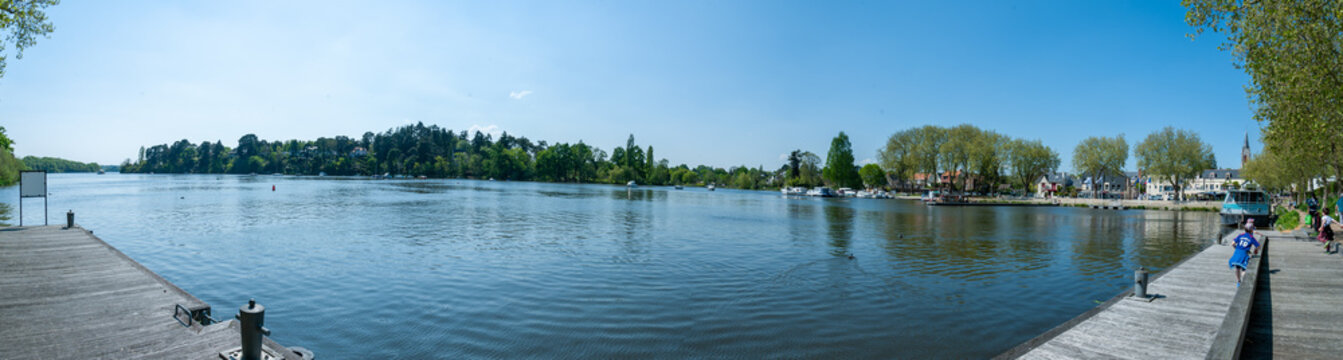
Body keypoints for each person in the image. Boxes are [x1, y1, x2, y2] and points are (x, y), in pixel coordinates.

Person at [1229, 222, 1260, 286]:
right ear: (1251, 230)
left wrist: (1236, 248)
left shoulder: (1240, 235)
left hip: (1237, 253)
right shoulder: (1251, 237)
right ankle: (1244, 280)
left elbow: (1232, 243)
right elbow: (1258, 246)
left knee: (1237, 268)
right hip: (1244, 254)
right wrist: (1256, 250)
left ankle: (1238, 281)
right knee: (1245, 268)